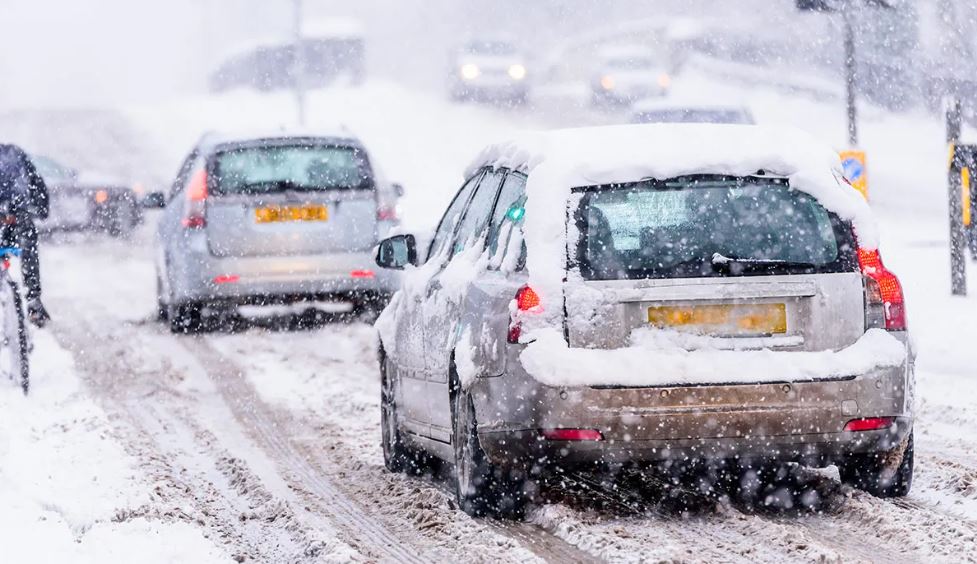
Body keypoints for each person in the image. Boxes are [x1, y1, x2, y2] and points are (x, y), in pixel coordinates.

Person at [0, 144, 50, 327]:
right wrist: (42, 210)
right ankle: (33, 300)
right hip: (18, 213)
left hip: (11, 212)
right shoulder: (15, 153)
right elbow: (37, 183)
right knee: (28, 249)